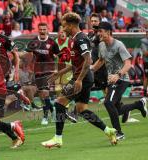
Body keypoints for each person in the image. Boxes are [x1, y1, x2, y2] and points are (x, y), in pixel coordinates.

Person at [41, 12, 117, 148]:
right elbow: (76, 64)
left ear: (71, 25)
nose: (63, 29)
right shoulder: (74, 39)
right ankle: (108, 131)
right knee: (82, 109)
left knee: (59, 103)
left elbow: (88, 61)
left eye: (64, 26)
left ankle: (58, 138)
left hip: (83, 78)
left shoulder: (80, 39)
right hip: (85, 78)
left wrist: (79, 80)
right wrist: (59, 73)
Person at [91, 22, 148, 140]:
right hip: (112, 80)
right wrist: (90, 70)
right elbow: (101, 61)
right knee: (117, 110)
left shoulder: (119, 45)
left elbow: (128, 63)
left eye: (101, 31)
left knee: (108, 103)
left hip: (121, 79)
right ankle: (139, 104)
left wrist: (118, 75)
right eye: (98, 31)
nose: (98, 33)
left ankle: (119, 133)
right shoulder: (101, 45)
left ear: (108, 32)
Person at [27, 22, 60, 125]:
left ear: (47, 30)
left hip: (49, 70)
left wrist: (57, 68)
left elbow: (58, 55)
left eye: (44, 29)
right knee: (42, 95)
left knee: (45, 93)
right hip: (37, 70)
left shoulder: (52, 42)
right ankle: (53, 109)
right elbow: (28, 54)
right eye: (40, 29)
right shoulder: (34, 41)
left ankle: (45, 117)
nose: (42, 31)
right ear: (38, 30)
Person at [141, 30, 148, 97]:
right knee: (146, 77)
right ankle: (145, 92)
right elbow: (145, 53)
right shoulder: (143, 42)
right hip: (147, 62)